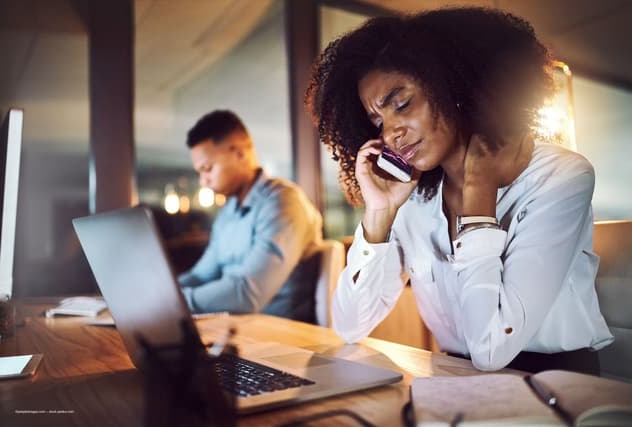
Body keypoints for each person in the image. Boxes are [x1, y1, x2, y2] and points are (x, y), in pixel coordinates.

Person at [306, 7, 613, 373]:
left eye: (402, 105)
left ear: (454, 86)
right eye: (377, 121)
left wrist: (479, 195)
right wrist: (379, 216)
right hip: (454, 381)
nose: (390, 133)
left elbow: (490, 350)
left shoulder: (560, 177)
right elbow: (349, 325)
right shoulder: (414, 199)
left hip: (558, 387)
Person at [178, 110, 323, 323]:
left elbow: (248, 293)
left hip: (280, 337)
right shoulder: (228, 213)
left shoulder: (283, 202)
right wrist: (158, 295)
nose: (203, 181)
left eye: (207, 169)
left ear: (238, 153)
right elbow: (201, 275)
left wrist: (176, 303)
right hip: (237, 329)